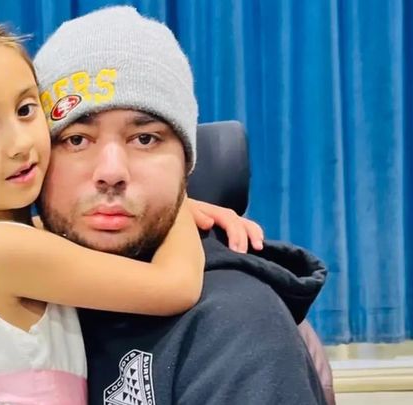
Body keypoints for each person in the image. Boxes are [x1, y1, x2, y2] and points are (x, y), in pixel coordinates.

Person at [0, 15, 264, 404]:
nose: (20, 143)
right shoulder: (3, 250)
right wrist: (171, 201)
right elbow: (175, 287)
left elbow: (39, 233)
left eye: (25, 109)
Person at [34, 6, 329, 404]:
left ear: (185, 167)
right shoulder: (2, 289)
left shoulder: (233, 327)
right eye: (76, 140)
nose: (111, 172)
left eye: (145, 139)